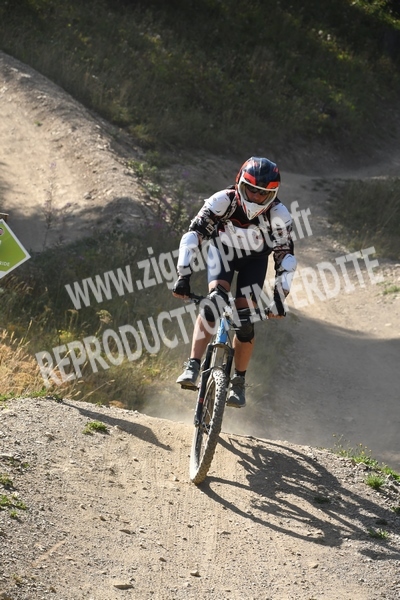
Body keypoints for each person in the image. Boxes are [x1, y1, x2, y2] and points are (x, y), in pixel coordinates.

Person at [172, 156, 297, 408]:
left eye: (263, 193)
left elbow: (285, 257)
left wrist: (279, 299)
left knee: (244, 321)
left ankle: (238, 381)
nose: (256, 197)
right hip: (223, 254)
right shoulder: (223, 200)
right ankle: (193, 365)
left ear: (273, 194)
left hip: (255, 262)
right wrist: (183, 276)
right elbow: (193, 236)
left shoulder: (279, 215)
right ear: (239, 184)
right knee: (213, 303)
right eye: (251, 190)